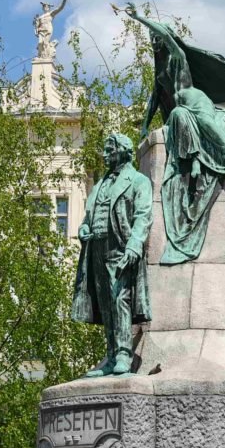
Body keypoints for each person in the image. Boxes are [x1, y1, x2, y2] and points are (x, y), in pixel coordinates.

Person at [122, 2, 225, 264]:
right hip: (182, 111)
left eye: (157, 38)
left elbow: (167, 37)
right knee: (177, 117)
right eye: (152, 39)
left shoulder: (178, 58)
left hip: (198, 104)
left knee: (210, 128)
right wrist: (143, 125)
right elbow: (155, 98)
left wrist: (139, 18)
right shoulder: (161, 69)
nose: (155, 42)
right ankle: (195, 160)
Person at [71, 133, 153, 376]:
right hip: (96, 249)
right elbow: (89, 217)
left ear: (123, 151)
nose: (105, 154)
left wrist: (134, 245)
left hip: (120, 247)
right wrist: (84, 228)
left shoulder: (138, 181)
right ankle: (110, 357)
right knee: (105, 304)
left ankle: (124, 355)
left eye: (110, 150)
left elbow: (143, 216)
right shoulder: (100, 184)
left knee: (120, 300)